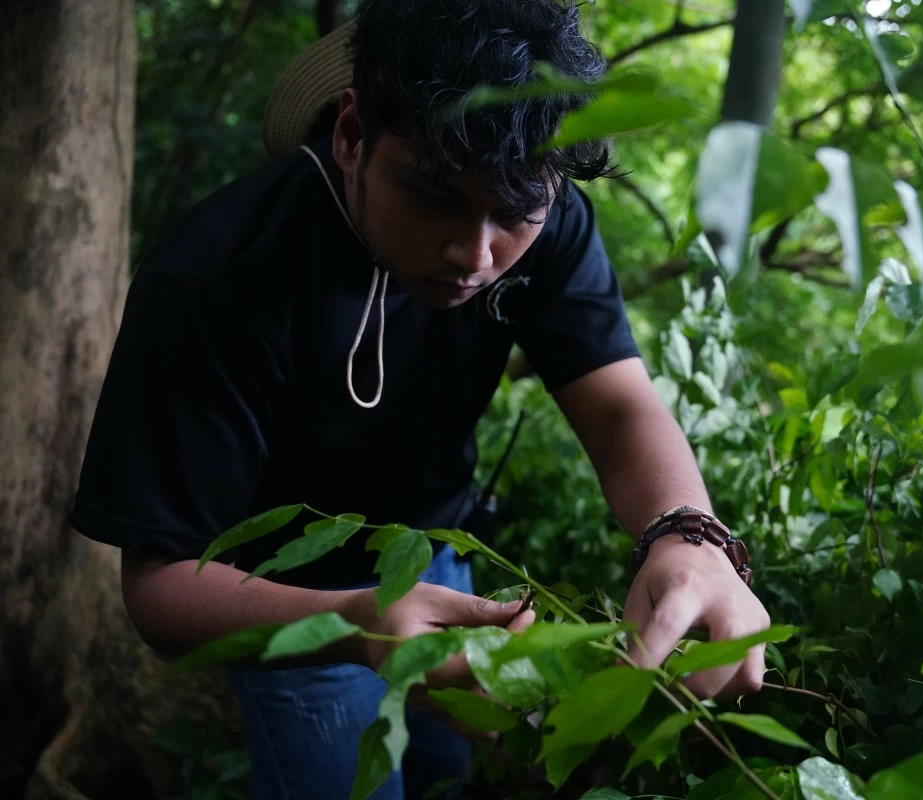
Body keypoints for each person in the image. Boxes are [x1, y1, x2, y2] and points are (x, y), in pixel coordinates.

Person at [69, 1, 771, 798]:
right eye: (434, 194)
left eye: (514, 212)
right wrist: (357, 623)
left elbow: (617, 407)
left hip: (446, 553)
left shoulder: (549, 216)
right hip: (286, 599)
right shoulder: (219, 280)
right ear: (351, 135)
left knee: (446, 777)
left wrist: (688, 533)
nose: (474, 256)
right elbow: (159, 585)